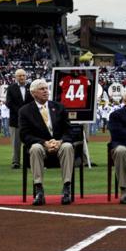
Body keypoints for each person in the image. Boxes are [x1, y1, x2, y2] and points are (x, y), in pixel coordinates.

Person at [19, 78, 78, 206]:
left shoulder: (59, 107)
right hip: (41, 146)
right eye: (42, 89)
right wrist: (44, 143)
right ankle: (39, 190)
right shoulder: (25, 111)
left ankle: (67, 188)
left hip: (59, 145)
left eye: (46, 88)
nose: (46, 91)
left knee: (68, 146)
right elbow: (24, 135)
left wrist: (60, 141)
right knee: (34, 148)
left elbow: (69, 130)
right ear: (33, 93)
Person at [4, 69, 31, 169]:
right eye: (19, 76)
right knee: (16, 143)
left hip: (29, 120)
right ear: (16, 77)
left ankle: (28, 161)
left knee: (29, 141)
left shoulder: (30, 87)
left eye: (23, 75)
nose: (22, 77)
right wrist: (21, 111)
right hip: (15, 119)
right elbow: (8, 103)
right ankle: (16, 162)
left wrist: (26, 112)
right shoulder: (11, 88)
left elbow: (33, 101)